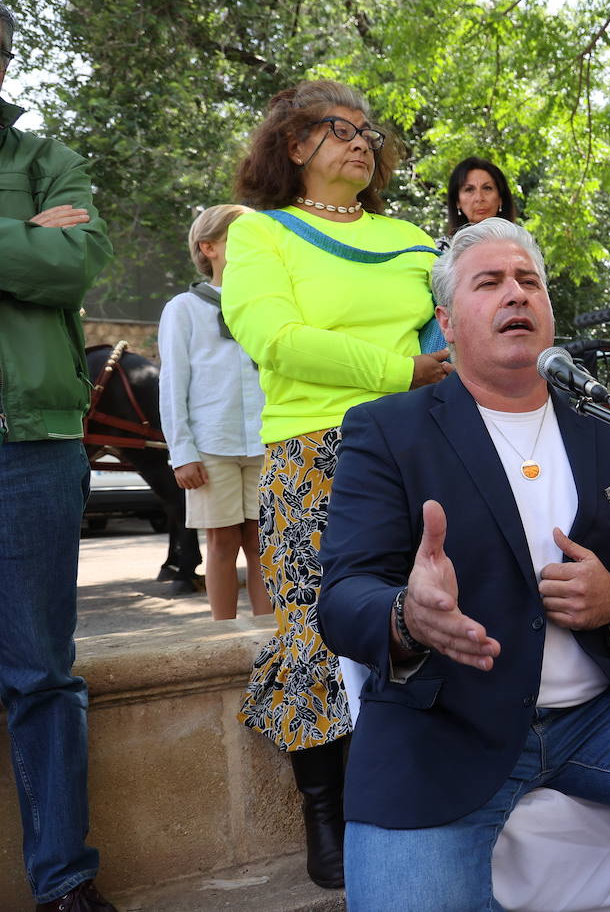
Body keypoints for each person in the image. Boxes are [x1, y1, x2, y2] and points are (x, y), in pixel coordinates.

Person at [315, 217, 610, 910]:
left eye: (529, 282)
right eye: (490, 283)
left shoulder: (607, 428)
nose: (516, 294)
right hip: (446, 729)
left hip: (601, 718)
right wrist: (407, 615)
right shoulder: (387, 430)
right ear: (447, 322)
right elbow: (341, 598)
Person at [220, 79, 452, 890]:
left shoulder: (414, 239)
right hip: (313, 450)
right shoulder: (260, 237)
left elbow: (451, 329)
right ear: (293, 146)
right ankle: (329, 810)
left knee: (422, 612)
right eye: (335, 128)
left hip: (421, 445)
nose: (361, 140)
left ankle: (423, 783)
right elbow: (277, 342)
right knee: (318, 626)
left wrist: (432, 372)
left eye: (367, 130)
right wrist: (403, 372)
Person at [0, 3, 117, 910]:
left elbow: (74, 264)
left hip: (30, 445)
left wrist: (51, 246)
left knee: (42, 671)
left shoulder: (45, 159)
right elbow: (37, 259)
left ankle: (64, 883)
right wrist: (19, 242)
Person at [158, 204, 269, 621]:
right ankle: (221, 637)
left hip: (263, 440)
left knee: (262, 541)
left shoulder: (266, 305)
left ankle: (266, 638)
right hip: (211, 445)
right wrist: (182, 452)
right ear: (209, 248)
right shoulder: (183, 309)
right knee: (222, 542)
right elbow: (172, 384)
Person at [443, 155, 518, 239]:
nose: (479, 198)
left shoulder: (520, 244)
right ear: (457, 201)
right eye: (469, 190)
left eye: (487, 188)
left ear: (500, 198)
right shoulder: (442, 250)